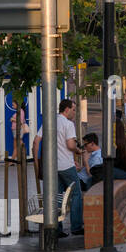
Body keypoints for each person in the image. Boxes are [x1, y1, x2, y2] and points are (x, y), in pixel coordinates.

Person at [55, 99, 84, 238]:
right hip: (66, 166)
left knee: (59, 196)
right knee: (76, 193)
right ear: (66, 109)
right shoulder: (68, 124)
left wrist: (37, 164)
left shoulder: (52, 121)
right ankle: (76, 226)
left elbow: (37, 141)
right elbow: (70, 145)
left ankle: (57, 228)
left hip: (53, 167)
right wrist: (78, 151)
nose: (74, 112)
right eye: (73, 109)